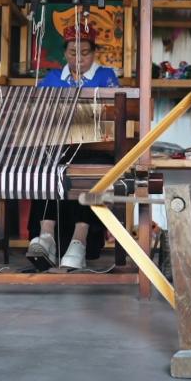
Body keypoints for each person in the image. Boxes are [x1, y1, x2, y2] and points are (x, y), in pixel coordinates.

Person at [26, 17, 119, 270]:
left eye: (85, 53)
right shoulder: (53, 77)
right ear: (65, 52)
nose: (79, 59)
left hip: (95, 149)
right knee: (44, 168)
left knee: (89, 173)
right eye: (73, 52)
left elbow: (115, 115)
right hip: (58, 149)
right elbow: (35, 110)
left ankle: (79, 241)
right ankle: (46, 236)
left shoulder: (106, 76)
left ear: (94, 52)